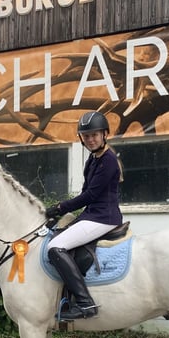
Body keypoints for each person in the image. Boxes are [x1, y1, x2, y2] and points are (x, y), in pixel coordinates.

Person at [45, 111, 122, 320]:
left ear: (105, 134)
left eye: (94, 134)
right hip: (92, 215)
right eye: (86, 136)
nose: (90, 139)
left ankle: (85, 303)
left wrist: (60, 207)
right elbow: (86, 194)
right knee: (57, 234)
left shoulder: (108, 160)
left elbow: (90, 195)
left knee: (55, 247)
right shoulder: (93, 159)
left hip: (103, 218)